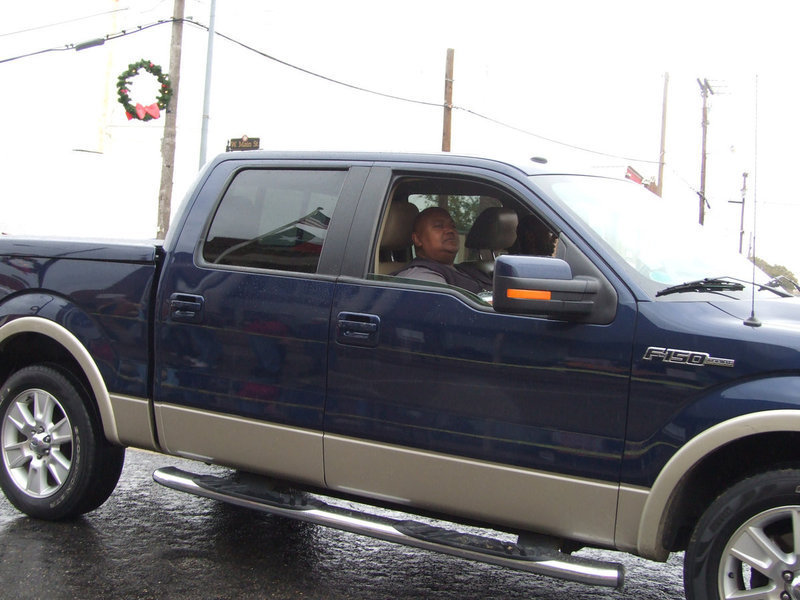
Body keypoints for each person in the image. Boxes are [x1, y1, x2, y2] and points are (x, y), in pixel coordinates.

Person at [393, 207, 489, 294]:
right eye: (439, 226)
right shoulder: (421, 278)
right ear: (417, 239)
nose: (450, 230)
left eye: (453, 226)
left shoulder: (470, 270)